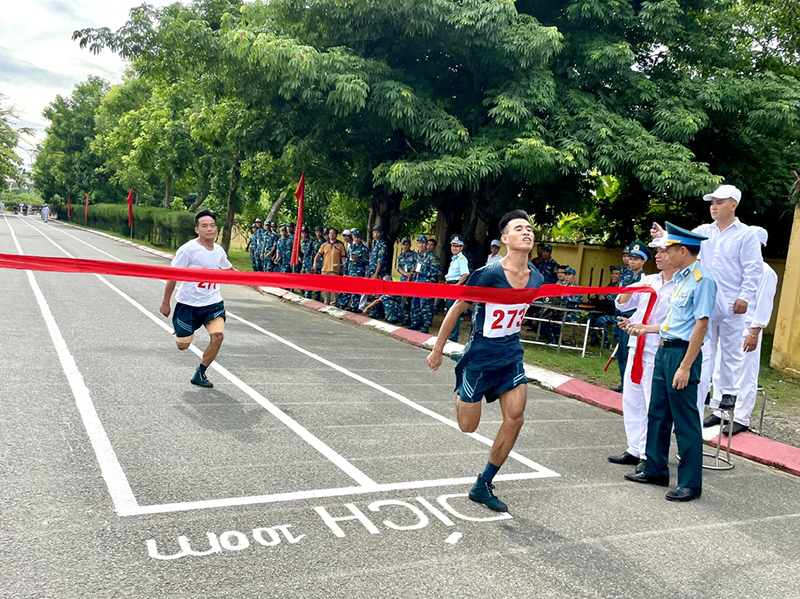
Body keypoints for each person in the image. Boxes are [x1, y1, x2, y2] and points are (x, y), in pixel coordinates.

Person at [426, 209, 543, 512]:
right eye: (519, 229)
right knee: (468, 426)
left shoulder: (538, 278)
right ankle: (461, 379)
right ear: (505, 239)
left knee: (515, 417)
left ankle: (483, 484)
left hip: (510, 355)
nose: (527, 232)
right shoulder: (489, 274)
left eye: (529, 229)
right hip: (479, 356)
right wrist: (438, 349)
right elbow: (457, 307)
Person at [624, 222, 716, 502]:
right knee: (658, 413)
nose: (665, 253)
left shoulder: (702, 280)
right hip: (665, 349)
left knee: (685, 420)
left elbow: (700, 327)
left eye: (670, 248)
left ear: (684, 251)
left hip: (682, 354)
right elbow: (673, 323)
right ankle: (655, 467)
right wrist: (646, 328)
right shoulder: (682, 278)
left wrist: (686, 366)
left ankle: (690, 483)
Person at [159, 209, 262, 388]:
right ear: (197, 229)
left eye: (213, 225)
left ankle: (200, 372)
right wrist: (166, 302)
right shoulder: (188, 250)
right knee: (182, 345)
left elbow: (229, 270)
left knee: (218, 336)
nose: (210, 229)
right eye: (205, 226)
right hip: (188, 304)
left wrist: (251, 281)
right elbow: (172, 275)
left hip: (212, 303)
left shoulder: (219, 250)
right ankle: (183, 329)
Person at [608, 238, 676, 472]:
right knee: (632, 399)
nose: (658, 256)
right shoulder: (648, 280)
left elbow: (675, 322)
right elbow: (623, 304)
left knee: (652, 403)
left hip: (658, 349)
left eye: (663, 251)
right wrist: (630, 285)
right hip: (637, 346)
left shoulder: (681, 285)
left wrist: (644, 326)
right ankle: (634, 448)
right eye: (656, 251)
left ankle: (650, 454)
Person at [714, 225, 777, 435]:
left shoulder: (766, 272)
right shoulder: (738, 268)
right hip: (729, 325)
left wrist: (755, 331)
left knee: (746, 373)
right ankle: (720, 410)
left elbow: (764, 303)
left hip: (748, 329)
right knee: (721, 367)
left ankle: (741, 417)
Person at [409, 237, 441, 333]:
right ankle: (416, 322)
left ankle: (426, 324)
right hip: (417, 283)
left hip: (426, 284)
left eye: (423, 243)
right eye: (419, 243)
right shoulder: (418, 256)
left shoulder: (432, 257)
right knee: (415, 304)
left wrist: (422, 273)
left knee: (426, 306)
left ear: (426, 244)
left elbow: (434, 272)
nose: (421, 245)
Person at [444, 234, 471, 342]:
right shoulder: (454, 259)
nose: (454, 248)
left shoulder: (461, 258)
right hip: (450, 285)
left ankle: (453, 337)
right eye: (453, 246)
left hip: (455, 285)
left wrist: (457, 285)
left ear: (461, 247)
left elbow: (465, 274)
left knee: (454, 313)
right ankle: (450, 335)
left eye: (457, 246)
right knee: (450, 312)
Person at [313, 227, 346, 305]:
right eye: (330, 233)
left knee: (334, 290)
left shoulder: (340, 245)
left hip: (335, 271)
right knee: (325, 289)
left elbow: (343, 258)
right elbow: (318, 255)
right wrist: (315, 263)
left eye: (333, 233)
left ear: (336, 235)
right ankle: (325, 303)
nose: (331, 235)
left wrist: (344, 268)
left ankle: (333, 305)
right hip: (325, 270)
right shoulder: (324, 245)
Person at [341, 228, 369, 311]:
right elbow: (347, 261)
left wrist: (358, 260)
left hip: (359, 272)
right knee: (347, 289)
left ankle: (354, 306)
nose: (356, 239)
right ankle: (343, 303)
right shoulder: (351, 247)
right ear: (353, 237)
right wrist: (345, 271)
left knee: (356, 290)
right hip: (350, 271)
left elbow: (366, 262)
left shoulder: (364, 249)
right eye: (355, 237)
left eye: (358, 238)